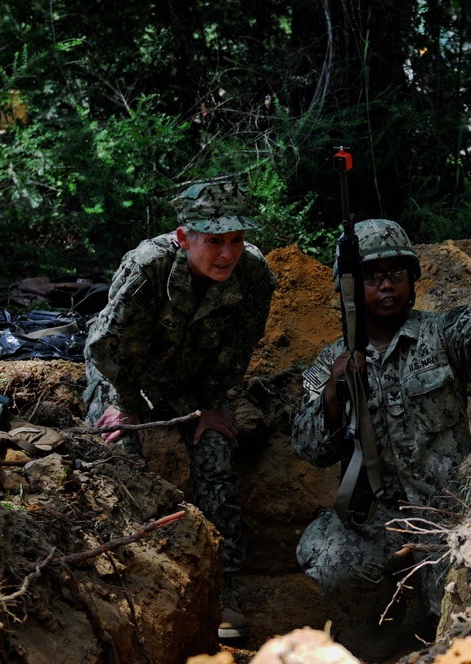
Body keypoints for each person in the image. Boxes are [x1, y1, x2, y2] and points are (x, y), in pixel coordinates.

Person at [292, 219, 471, 661]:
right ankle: (380, 621)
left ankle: (428, 623)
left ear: (412, 279)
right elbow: (308, 448)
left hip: (449, 513)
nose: (387, 286)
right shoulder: (328, 361)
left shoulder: (438, 334)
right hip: (377, 515)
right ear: (348, 287)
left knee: (458, 614)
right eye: (371, 276)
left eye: (397, 274)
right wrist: (333, 393)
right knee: (325, 560)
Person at [83, 179, 277, 640]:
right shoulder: (148, 267)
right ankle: (134, 577)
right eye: (214, 241)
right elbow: (107, 349)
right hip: (125, 371)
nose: (227, 254)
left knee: (217, 446)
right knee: (117, 451)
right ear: (184, 237)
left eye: (236, 240)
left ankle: (223, 586)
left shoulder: (255, 275)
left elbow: (236, 351)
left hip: (191, 375)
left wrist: (211, 404)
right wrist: (128, 408)